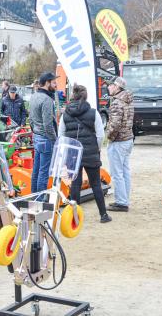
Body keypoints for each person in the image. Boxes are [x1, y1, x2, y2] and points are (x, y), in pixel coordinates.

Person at [59, 84, 112, 223]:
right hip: (90, 152)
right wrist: (97, 148)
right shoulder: (93, 112)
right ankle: (103, 215)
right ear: (85, 96)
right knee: (95, 184)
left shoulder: (65, 114)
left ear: (73, 96)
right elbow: (100, 135)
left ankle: (75, 218)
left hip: (72, 153)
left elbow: (61, 136)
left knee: (75, 185)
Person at [105, 76, 134, 212]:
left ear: (117, 87)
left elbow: (115, 125)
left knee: (117, 173)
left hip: (118, 141)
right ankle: (124, 199)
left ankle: (121, 202)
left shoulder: (117, 102)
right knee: (125, 172)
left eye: (110, 85)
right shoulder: (128, 100)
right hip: (127, 139)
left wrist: (108, 137)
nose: (108, 87)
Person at [29, 72, 57, 198]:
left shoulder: (34, 96)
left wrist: (35, 132)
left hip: (37, 137)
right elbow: (48, 124)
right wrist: (55, 140)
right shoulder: (47, 99)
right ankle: (40, 201)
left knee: (36, 170)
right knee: (43, 172)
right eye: (54, 82)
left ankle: (34, 196)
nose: (56, 85)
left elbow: (30, 119)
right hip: (45, 139)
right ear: (47, 83)